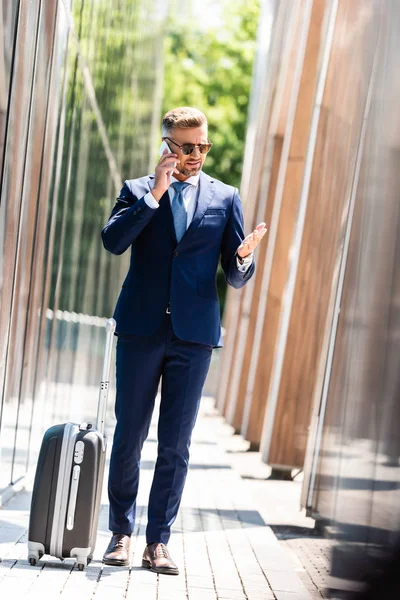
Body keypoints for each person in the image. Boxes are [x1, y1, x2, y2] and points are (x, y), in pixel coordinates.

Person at [101, 107, 267, 575]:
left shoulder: (225, 196)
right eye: (187, 147)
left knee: (176, 443)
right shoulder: (137, 190)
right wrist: (154, 193)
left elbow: (234, 276)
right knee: (129, 433)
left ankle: (158, 542)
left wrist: (241, 258)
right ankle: (120, 533)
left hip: (192, 336)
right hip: (141, 328)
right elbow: (113, 242)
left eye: (203, 146)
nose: (196, 155)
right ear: (167, 145)